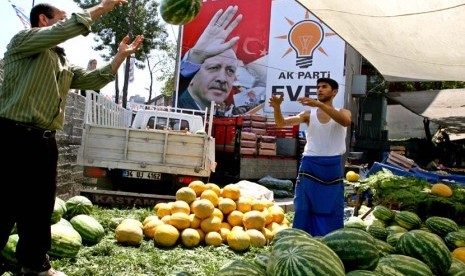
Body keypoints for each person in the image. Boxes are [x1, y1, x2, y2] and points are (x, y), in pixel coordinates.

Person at [0, 1, 144, 275]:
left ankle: (34, 266)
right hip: (12, 137)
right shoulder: (23, 41)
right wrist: (102, 7)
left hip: (44, 141)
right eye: (61, 19)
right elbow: (70, 28)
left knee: (39, 208)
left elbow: (94, 80)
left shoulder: (62, 61)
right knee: (4, 203)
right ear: (43, 19)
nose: (66, 24)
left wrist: (120, 56)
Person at [268, 78, 351, 236]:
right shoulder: (308, 114)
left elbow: (345, 122)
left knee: (331, 206)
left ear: (334, 92)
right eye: (318, 87)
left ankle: (329, 240)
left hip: (332, 165)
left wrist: (319, 105)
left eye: (324, 87)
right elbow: (281, 123)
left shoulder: (343, 112)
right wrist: (277, 107)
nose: (319, 90)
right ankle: (301, 239)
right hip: (310, 164)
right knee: (304, 206)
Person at [177, 5, 242, 110]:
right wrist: (196, 56)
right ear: (192, 77)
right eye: (213, 67)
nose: (222, 79)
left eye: (230, 70)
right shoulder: (179, 108)